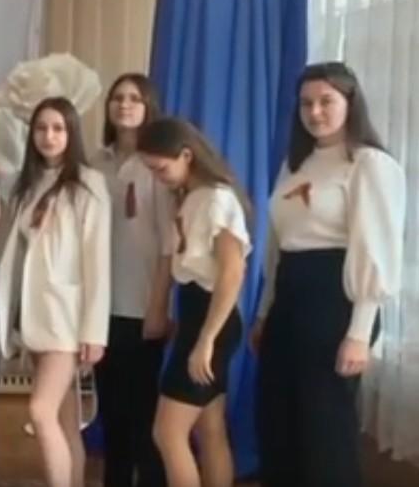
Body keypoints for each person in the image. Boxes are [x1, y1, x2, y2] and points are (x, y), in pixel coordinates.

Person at [254, 62, 404, 487]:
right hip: (289, 297)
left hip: (336, 300)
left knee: (325, 427)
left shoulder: (368, 163)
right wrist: (265, 312)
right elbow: (277, 247)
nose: (315, 112)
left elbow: (376, 250)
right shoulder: (295, 165)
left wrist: (359, 332)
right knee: (278, 419)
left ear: (350, 103)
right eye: (306, 103)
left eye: (326, 101)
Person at [0, 97, 111, 487]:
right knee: (64, 421)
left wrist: (94, 331)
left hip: (67, 319)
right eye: (41, 128)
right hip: (34, 315)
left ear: (71, 132)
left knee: (40, 412)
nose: (49, 136)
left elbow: (97, 261)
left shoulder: (89, 184)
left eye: (58, 128)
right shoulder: (28, 184)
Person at [137, 117, 250, 487]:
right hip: (195, 313)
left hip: (211, 319)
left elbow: (232, 272)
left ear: (186, 155)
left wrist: (206, 339)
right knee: (210, 427)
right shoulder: (188, 198)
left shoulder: (218, 199)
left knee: (168, 433)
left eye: (161, 169)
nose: (158, 178)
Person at [91, 74, 172, 487]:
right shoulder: (94, 162)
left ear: (148, 107)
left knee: (143, 419)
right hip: (101, 309)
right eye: (117, 97)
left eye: (134, 98)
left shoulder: (159, 165)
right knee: (112, 417)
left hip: (142, 307)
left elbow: (168, 246)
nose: (124, 105)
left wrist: (157, 308)